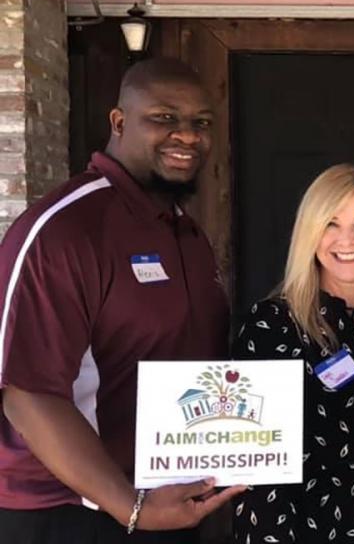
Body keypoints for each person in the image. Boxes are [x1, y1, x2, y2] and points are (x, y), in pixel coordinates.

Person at [0, 58, 243, 543]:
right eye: (165, 118)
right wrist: (129, 506)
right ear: (118, 122)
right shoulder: (65, 230)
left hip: (162, 503)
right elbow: (27, 394)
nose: (188, 136)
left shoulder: (187, 234)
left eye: (201, 123)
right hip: (71, 511)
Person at [231, 164, 354, 543]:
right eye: (330, 223)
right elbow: (258, 470)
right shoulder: (273, 325)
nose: (347, 239)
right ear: (310, 232)